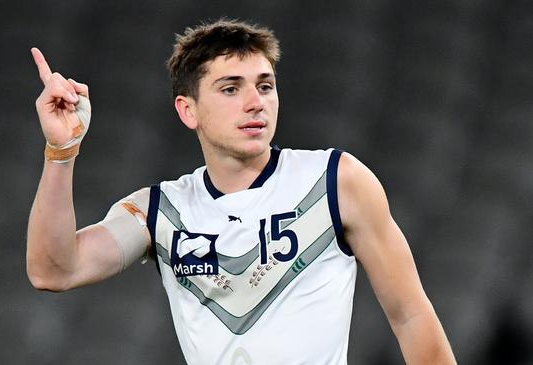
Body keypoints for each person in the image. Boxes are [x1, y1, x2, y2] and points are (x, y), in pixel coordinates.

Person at [27, 19, 456, 365]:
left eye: (265, 86)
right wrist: (61, 152)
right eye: (231, 89)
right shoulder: (159, 211)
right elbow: (54, 272)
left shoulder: (335, 180)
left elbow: (411, 315)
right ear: (187, 109)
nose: (256, 102)